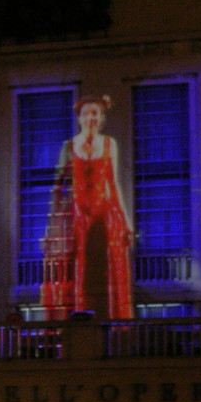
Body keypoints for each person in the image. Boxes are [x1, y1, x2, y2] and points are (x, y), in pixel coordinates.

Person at [42, 95, 133, 319]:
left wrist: (126, 221)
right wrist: (52, 227)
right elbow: (58, 186)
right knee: (80, 267)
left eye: (95, 113)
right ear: (79, 118)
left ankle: (113, 324)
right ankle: (80, 318)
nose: (91, 117)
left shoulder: (110, 144)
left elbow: (114, 183)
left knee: (106, 268)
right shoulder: (69, 146)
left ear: (101, 118)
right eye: (86, 113)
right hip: (79, 217)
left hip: (105, 214)